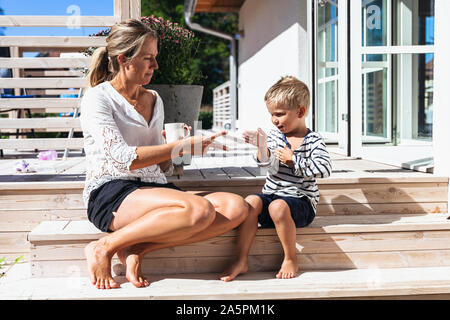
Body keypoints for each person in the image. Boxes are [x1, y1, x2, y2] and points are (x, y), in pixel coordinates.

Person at [80, 19, 249, 289]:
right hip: (111, 190)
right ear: (124, 59)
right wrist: (179, 146)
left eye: (155, 58)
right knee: (199, 210)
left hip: (152, 186)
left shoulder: (154, 99)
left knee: (236, 207)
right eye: (148, 59)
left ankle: (136, 248)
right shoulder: (97, 99)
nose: (155, 66)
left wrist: (173, 148)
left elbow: (163, 169)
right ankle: (104, 246)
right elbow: (123, 159)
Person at [220, 76, 332, 281]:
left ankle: (290, 257)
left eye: (279, 114)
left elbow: (324, 169)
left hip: (301, 204)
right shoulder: (274, 136)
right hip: (272, 198)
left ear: (300, 112)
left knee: (278, 207)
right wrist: (262, 148)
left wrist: (294, 160)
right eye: (271, 114)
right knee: (251, 202)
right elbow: (269, 167)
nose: (274, 120)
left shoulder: (314, 140)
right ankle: (241, 259)